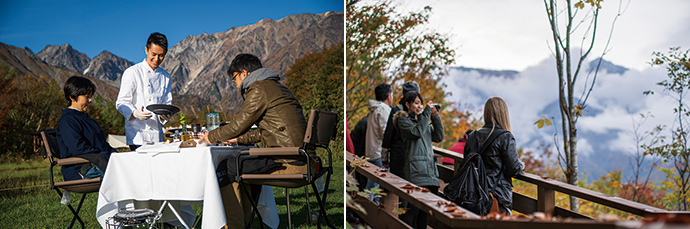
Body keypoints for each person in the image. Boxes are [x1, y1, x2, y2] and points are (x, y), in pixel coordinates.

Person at [199, 53, 307, 228]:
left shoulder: (258, 88)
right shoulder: (278, 87)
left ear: (244, 73)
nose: (235, 84)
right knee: (241, 164)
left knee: (226, 168)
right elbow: (266, 131)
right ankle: (244, 222)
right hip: (302, 157)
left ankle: (234, 226)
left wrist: (210, 136)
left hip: (289, 162)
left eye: (234, 78)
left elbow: (239, 124)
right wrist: (238, 139)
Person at [393, 91, 444, 229]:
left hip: (429, 171)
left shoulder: (424, 122)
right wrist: (426, 113)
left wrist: (435, 117)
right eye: (416, 103)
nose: (419, 106)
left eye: (421, 103)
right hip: (416, 171)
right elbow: (417, 133)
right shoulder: (403, 121)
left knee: (425, 211)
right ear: (407, 105)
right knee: (412, 209)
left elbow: (439, 137)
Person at [116, 32, 173, 151]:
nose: (156, 59)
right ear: (146, 50)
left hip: (157, 136)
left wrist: (165, 115)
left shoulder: (166, 76)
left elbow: (166, 104)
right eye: (154, 54)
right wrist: (134, 112)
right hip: (137, 135)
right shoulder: (132, 72)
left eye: (161, 55)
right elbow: (121, 102)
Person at [469, 96, 524, 214]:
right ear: (503, 114)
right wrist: (522, 165)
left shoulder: (473, 136)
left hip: (472, 193)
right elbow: (514, 169)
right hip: (496, 197)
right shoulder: (505, 137)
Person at [57, 76, 117, 181]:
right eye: (86, 97)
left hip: (97, 163)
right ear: (72, 97)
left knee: (130, 167)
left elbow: (102, 144)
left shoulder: (88, 120)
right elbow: (79, 149)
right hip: (80, 169)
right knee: (125, 174)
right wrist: (105, 155)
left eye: (91, 96)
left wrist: (114, 153)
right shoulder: (67, 121)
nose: (90, 100)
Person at [364, 83, 393, 201]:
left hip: (371, 152)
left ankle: (366, 212)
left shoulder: (374, 109)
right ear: (388, 96)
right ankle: (368, 214)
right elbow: (385, 133)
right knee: (375, 187)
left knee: (372, 186)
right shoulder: (383, 110)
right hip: (379, 153)